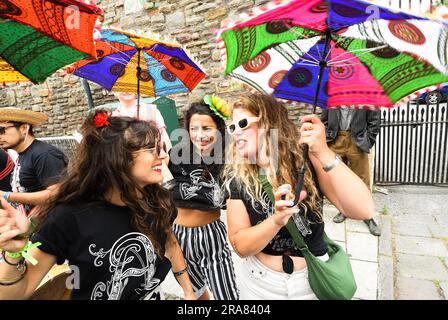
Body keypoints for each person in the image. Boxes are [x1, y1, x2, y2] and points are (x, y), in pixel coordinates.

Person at [0, 111, 195, 300]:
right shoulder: (68, 217)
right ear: (117, 157)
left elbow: (170, 243)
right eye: (151, 149)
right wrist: (15, 252)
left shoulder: (159, 201)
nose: (162, 155)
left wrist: (188, 291)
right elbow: (15, 293)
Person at [222, 94, 375, 300]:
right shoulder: (237, 179)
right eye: (233, 127)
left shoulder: (306, 161)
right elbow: (240, 245)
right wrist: (275, 221)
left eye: (243, 123)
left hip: (312, 280)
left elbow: (363, 209)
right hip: (260, 285)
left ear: (269, 122)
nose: (236, 133)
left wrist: (323, 152)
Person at [167, 96, 239, 300]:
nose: (200, 135)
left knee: (228, 296)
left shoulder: (228, 159)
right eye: (193, 129)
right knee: (196, 293)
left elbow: (227, 198)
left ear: (219, 129)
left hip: (211, 237)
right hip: (178, 238)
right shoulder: (176, 156)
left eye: (207, 129)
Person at [321, 108, 381, 236]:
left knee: (362, 178)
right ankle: (344, 210)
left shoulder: (366, 95)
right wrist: (327, 136)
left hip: (356, 141)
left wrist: (368, 141)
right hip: (335, 140)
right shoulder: (332, 95)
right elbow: (324, 119)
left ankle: (368, 216)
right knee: (338, 180)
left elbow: (374, 121)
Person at [0, 108, 67, 214]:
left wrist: (7, 195)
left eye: (1, 130)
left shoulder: (44, 154)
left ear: (24, 128)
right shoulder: (23, 154)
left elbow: (56, 194)